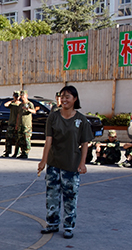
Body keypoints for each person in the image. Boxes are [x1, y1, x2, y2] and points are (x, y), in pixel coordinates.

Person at [37, 85, 93, 239]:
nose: (64, 99)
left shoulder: (81, 120)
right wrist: (43, 160)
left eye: (67, 96)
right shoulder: (53, 117)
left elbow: (85, 143)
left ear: (75, 99)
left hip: (71, 164)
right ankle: (52, 223)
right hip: (54, 163)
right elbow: (48, 140)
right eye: (62, 96)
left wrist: (82, 163)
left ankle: (68, 226)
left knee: (70, 196)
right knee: (52, 195)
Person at [15, 90, 36, 159]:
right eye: (21, 96)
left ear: (26, 96)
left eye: (23, 95)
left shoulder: (29, 104)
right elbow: (18, 115)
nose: (22, 97)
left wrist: (28, 109)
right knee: (21, 139)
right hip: (20, 125)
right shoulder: (20, 105)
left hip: (27, 125)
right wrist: (17, 124)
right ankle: (22, 152)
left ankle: (26, 152)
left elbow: (34, 111)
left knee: (26, 139)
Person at [3, 91, 22, 158]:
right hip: (11, 123)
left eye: (17, 96)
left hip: (18, 124)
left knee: (17, 140)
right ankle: (7, 152)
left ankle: (16, 153)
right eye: (15, 96)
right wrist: (12, 101)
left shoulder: (21, 105)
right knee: (8, 138)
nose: (16, 98)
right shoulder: (12, 104)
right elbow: (5, 105)